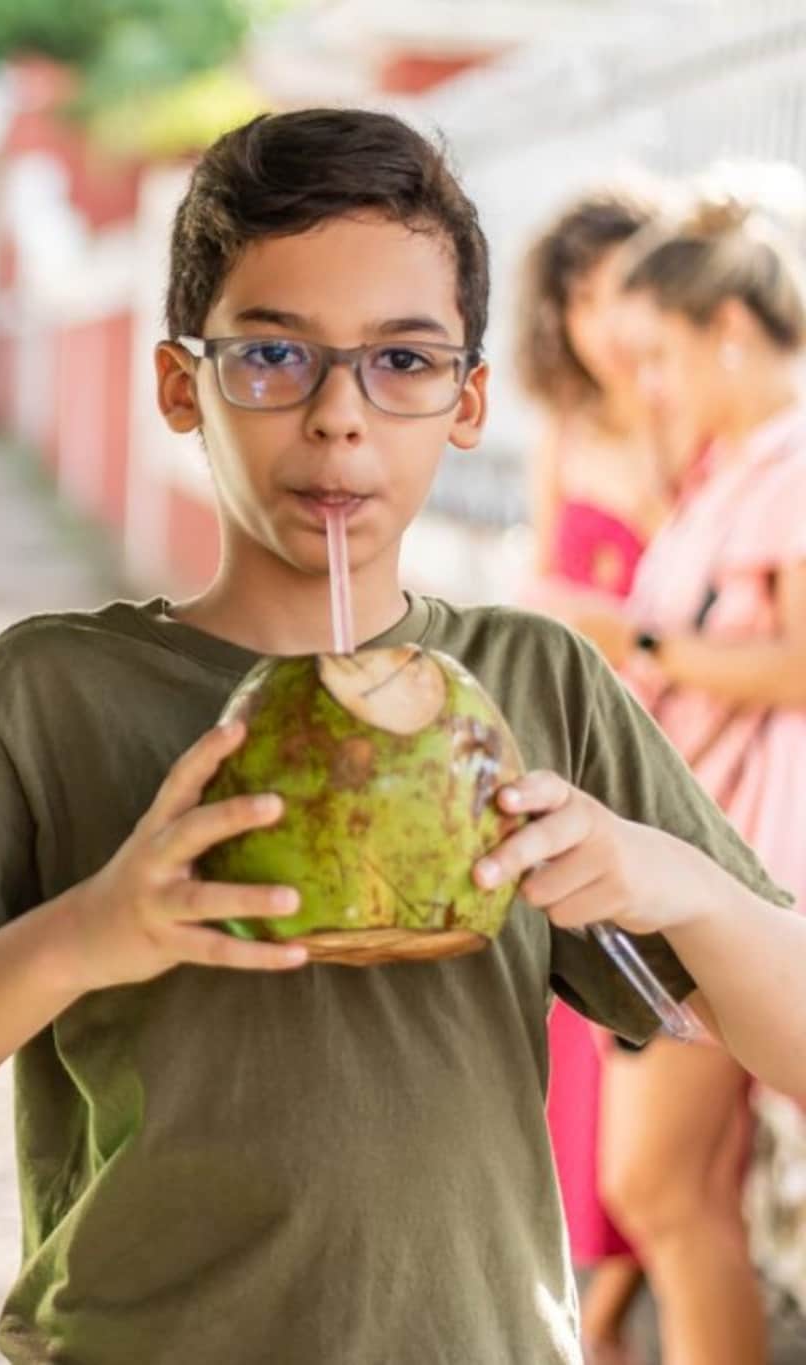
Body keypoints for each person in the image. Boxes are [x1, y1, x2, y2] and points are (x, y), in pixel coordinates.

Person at [0, 109, 806, 1364]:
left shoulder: (531, 682)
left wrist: (680, 884)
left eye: (402, 362)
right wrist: (89, 931)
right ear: (181, 384)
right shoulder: (53, 697)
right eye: (271, 355)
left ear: (468, 400)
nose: (338, 418)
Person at [570, 186, 806, 1365]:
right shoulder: (734, 470)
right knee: (671, 1189)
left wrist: (636, 646)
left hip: (745, 873)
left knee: (658, 1186)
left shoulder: (787, 465)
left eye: (659, 356)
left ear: (726, 330)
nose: (648, 388)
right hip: (703, 863)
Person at [512, 184, 675, 1364]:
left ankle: (616, 1301)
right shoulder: (562, 434)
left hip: (680, 758)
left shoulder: (696, 430)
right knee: (580, 1018)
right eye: (575, 295)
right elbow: (538, 595)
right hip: (583, 749)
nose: (599, 318)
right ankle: (596, 1290)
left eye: (619, 284)